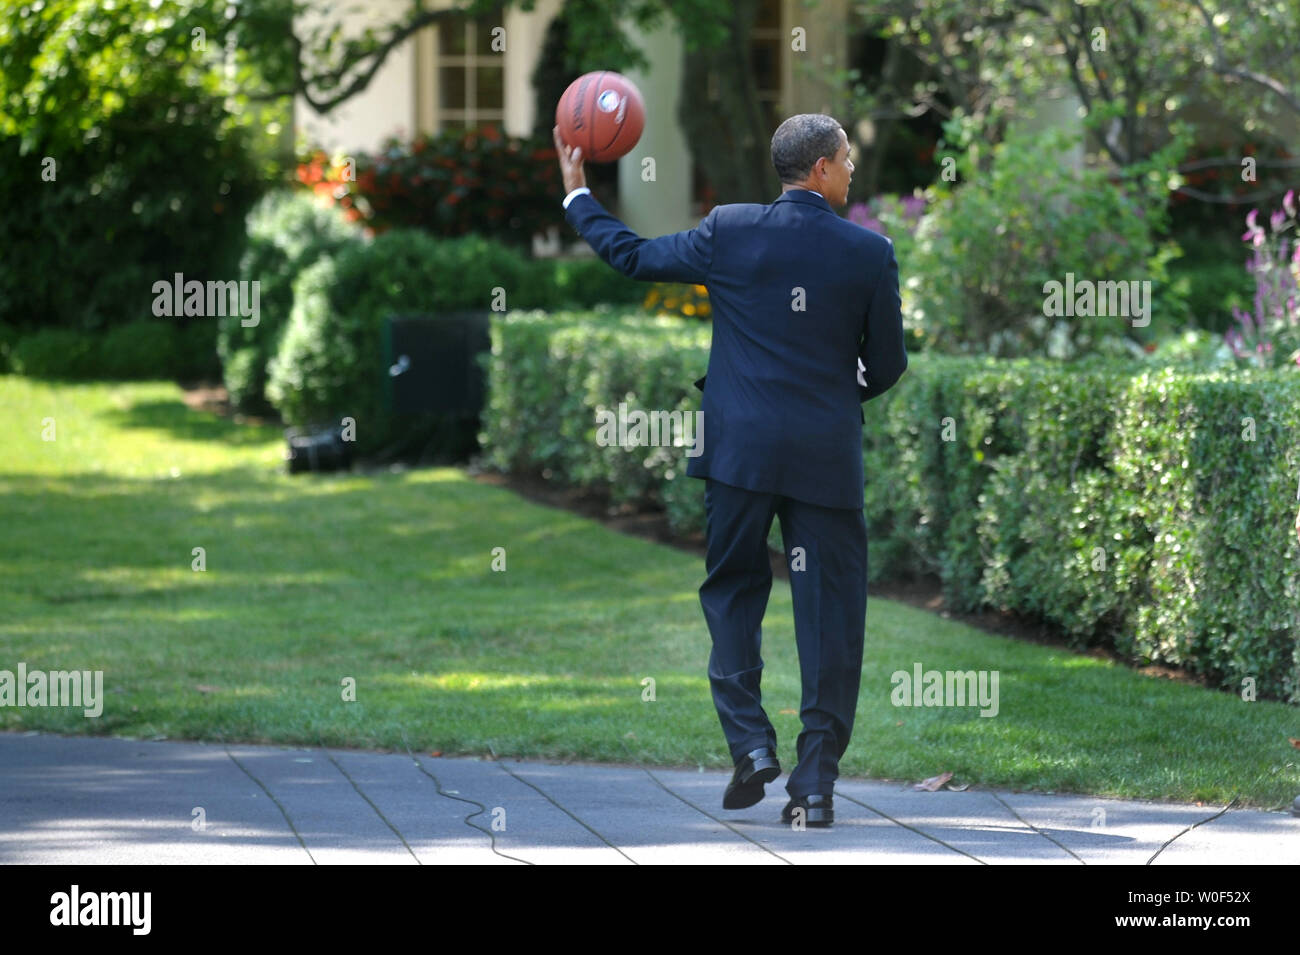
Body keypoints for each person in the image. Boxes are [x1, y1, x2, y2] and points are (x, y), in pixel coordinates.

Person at [553, 113, 907, 827]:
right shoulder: (869, 254)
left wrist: (578, 196)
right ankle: (814, 785)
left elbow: (634, 257)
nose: (850, 171)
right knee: (831, 619)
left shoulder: (730, 229)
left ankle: (749, 745)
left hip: (738, 451)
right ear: (818, 169)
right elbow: (888, 363)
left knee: (732, 593)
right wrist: (836, 394)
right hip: (824, 460)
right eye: (844, 160)